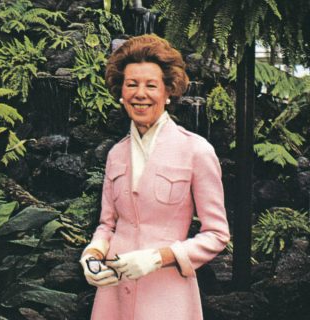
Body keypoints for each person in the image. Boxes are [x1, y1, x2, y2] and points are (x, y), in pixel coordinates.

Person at [80, 34, 230, 320]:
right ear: (121, 92)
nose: (140, 94)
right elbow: (107, 225)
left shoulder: (196, 150)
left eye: (151, 85)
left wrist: (158, 257)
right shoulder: (116, 154)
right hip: (113, 296)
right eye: (132, 84)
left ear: (168, 91)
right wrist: (92, 255)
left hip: (168, 296)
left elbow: (216, 234)